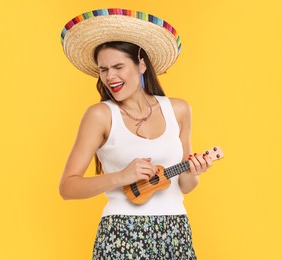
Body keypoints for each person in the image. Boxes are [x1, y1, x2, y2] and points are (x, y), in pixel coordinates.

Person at [59, 8, 213, 259]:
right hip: (121, 232)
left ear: (141, 64)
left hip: (175, 231)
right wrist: (120, 176)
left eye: (118, 66)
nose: (110, 77)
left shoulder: (179, 110)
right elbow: (67, 187)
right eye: (103, 69)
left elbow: (184, 185)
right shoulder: (100, 115)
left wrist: (195, 172)